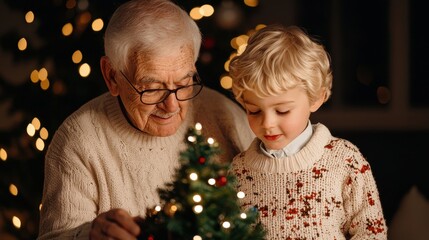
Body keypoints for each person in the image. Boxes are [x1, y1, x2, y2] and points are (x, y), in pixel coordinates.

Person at [37, 0, 254, 239]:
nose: (171, 105)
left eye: (184, 84)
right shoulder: (77, 141)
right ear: (111, 76)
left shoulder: (223, 114)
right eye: (151, 89)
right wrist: (88, 234)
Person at [228, 24, 388, 239]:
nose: (267, 123)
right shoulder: (238, 170)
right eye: (254, 111)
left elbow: (371, 233)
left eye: (282, 110)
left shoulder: (345, 160)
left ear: (316, 98)